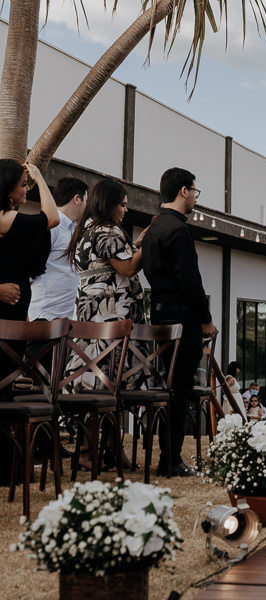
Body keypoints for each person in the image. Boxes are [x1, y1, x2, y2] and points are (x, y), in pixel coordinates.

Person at [63, 178, 148, 470]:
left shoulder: (85, 231)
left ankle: (109, 449)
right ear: (109, 204)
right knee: (110, 380)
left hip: (90, 317)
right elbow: (128, 267)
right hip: (108, 318)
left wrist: (133, 246)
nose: (125, 210)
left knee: (97, 380)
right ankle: (92, 451)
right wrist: (144, 247)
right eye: (122, 204)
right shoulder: (107, 230)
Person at [142, 167, 215, 477]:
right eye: (194, 192)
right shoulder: (179, 230)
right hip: (181, 316)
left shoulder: (154, 227)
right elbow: (191, 281)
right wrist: (206, 319)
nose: (195, 199)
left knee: (167, 385)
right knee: (180, 386)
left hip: (157, 313)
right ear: (184, 191)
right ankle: (170, 460)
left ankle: (166, 457)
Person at [0, 160, 59, 394]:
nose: (27, 189)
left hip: (14, 318)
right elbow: (51, 218)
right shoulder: (6, 219)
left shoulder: (13, 220)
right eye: (24, 185)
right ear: (7, 189)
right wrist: (40, 178)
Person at [29, 177, 88, 322]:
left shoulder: (75, 230)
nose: (88, 206)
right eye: (86, 200)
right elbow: (28, 267)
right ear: (77, 199)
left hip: (66, 318)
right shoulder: (51, 227)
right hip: (45, 316)